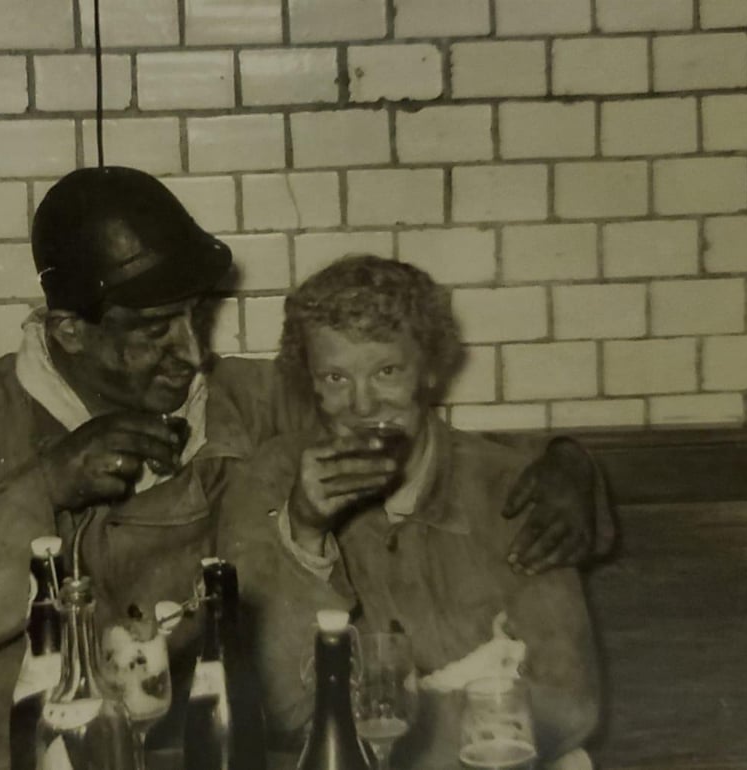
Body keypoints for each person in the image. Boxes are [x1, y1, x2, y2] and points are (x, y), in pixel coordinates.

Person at [0, 167, 608, 769]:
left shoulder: (254, 401)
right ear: (69, 331)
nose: (191, 352)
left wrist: (569, 469)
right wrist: (43, 487)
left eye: (196, 316)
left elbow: (406, 432)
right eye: (153, 330)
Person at [218, 255, 600, 768]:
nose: (362, 405)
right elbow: (282, 708)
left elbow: (567, 704)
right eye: (335, 377)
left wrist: (386, 719)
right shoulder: (268, 480)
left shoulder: (510, 487)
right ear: (309, 383)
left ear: (431, 370)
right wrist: (304, 533)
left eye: (387, 371)